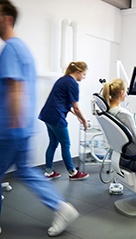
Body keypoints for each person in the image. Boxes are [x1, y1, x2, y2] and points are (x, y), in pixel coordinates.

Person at [0, 0, 79, 236]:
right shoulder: (22, 48)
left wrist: (13, 124)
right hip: (23, 126)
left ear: (6, 19)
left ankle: (61, 207)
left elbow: (15, 89)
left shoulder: (11, 49)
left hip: (11, 128)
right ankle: (62, 207)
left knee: (26, 169)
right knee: (25, 170)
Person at [39, 61, 89, 180]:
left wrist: (76, 115)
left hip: (47, 115)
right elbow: (75, 106)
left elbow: (62, 101)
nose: (84, 77)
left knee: (53, 143)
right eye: (84, 74)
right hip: (56, 116)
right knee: (65, 144)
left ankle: (49, 171)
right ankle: (73, 172)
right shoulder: (73, 83)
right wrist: (84, 120)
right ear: (78, 72)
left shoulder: (63, 80)